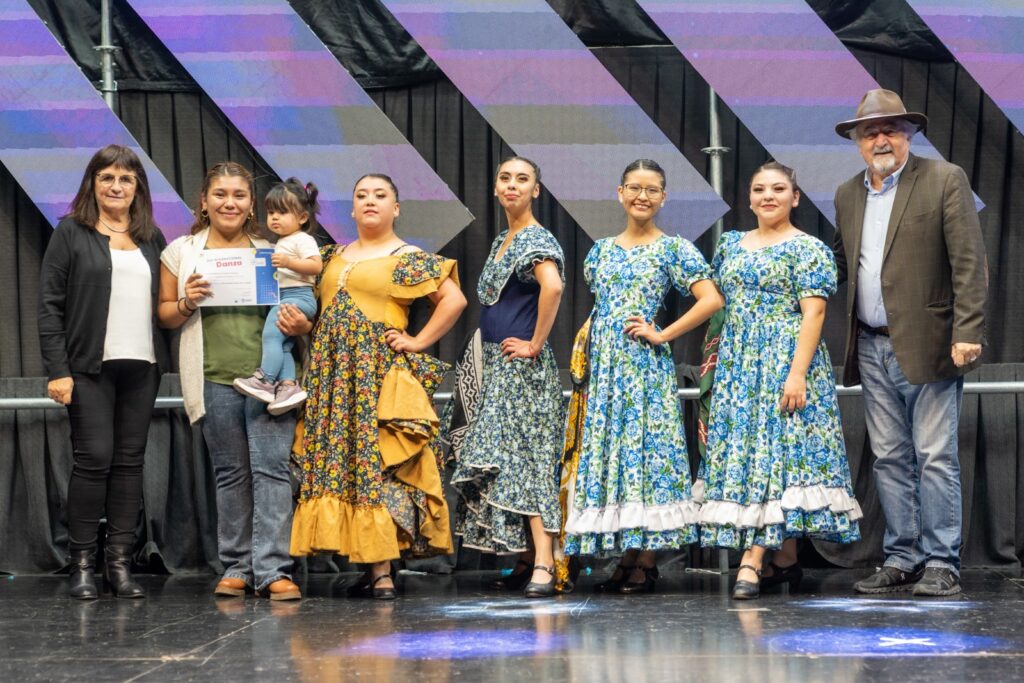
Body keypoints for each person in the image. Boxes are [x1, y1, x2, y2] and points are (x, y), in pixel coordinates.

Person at [833, 89, 987, 597]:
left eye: (891, 130)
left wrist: (968, 330)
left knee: (935, 455)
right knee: (889, 458)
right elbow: (841, 264)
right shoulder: (847, 194)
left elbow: (969, 262)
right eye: (870, 132)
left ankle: (943, 562)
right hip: (870, 344)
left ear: (909, 135)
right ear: (858, 141)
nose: (881, 139)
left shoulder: (944, 178)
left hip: (931, 342)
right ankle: (903, 557)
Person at [284, 173, 467, 600]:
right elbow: (320, 314)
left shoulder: (406, 256)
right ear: (351, 209)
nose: (370, 201)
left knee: (374, 463)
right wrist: (303, 326)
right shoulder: (329, 256)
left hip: (374, 375)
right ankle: (368, 566)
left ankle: (382, 571)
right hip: (332, 378)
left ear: (395, 208)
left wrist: (417, 341)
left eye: (380, 195)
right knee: (343, 466)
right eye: (362, 195)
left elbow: (454, 299)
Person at [696, 162, 862, 600]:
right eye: (759, 189)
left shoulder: (807, 248)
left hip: (785, 360)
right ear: (749, 198)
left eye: (778, 188)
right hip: (739, 366)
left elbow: (815, 313)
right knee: (753, 457)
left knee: (778, 456)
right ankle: (785, 559)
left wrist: (797, 373)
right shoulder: (730, 245)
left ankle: (752, 559)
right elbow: (718, 304)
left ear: (795, 197)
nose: (767, 196)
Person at [561, 159, 723, 593]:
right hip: (605, 369)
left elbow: (711, 299)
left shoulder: (673, 249)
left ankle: (645, 559)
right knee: (618, 454)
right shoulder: (600, 251)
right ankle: (628, 556)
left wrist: (662, 333)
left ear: (663, 198)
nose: (642, 196)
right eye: (634, 188)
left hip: (643, 367)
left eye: (652, 190)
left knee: (647, 452)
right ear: (620, 193)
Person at [158, 162, 301, 601]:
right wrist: (187, 301)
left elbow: (299, 305)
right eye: (220, 194)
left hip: (269, 382)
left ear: (251, 204)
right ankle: (237, 566)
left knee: (273, 471)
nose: (229, 202)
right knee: (231, 473)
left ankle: (273, 569)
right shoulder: (180, 252)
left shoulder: (273, 252)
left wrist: (300, 324)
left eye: (239, 195)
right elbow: (164, 315)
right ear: (204, 201)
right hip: (213, 378)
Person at [38, 144, 169, 600]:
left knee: (130, 465)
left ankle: (119, 565)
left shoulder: (152, 237)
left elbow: (164, 302)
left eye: (126, 179)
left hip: (143, 367)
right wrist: (58, 370)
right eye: (107, 177)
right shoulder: (70, 232)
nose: (116, 186)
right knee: (94, 460)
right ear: (92, 183)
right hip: (87, 369)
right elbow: (50, 305)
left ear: (138, 187)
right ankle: (82, 565)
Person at [448, 156, 565, 598]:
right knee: (507, 462)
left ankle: (545, 561)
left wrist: (534, 343)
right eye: (505, 178)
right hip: (497, 364)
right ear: (496, 188)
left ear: (536, 190)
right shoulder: (504, 238)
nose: (512, 185)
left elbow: (553, 286)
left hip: (521, 369)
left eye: (522, 179)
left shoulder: (535, 237)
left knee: (527, 461)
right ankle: (526, 558)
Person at [233, 178, 322, 415]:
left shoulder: (303, 239)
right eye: (271, 212)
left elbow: (316, 266)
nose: (274, 218)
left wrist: (288, 262)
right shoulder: (282, 241)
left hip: (298, 297)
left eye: (282, 212)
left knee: (270, 336)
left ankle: (265, 380)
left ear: (302, 218)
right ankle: (288, 387)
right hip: (285, 296)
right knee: (282, 345)